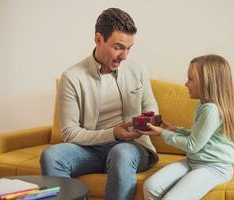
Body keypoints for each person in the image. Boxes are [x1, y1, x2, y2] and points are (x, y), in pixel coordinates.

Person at [39, 7, 159, 200]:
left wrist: (147, 122)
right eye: (118, 47)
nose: (124, 56)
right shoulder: (72, 77)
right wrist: (112, 133)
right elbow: (69, 133)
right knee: (51, 156)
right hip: (90, 149)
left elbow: (150, 107)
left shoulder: (138, 69)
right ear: (98, 39)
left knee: (120, 153)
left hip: (131, 146)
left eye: (129, 48)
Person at [141, 54, 234, 200]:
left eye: (191, 79)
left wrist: (163, 133)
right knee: (151, 187)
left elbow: (193, 145)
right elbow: (199, 135)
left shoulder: (211, 110)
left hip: (214, 167)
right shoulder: (203, 105)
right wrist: (175, 129)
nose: (186, 84)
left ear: (207, 82)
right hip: (193, 161)